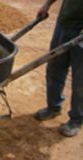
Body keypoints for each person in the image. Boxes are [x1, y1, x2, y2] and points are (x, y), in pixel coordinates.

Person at [34, 0, 83, 137]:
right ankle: (53, 107)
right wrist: (47, 5)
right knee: (54, 68)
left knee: (80, 80)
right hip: (64, 24)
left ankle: (76, 120)